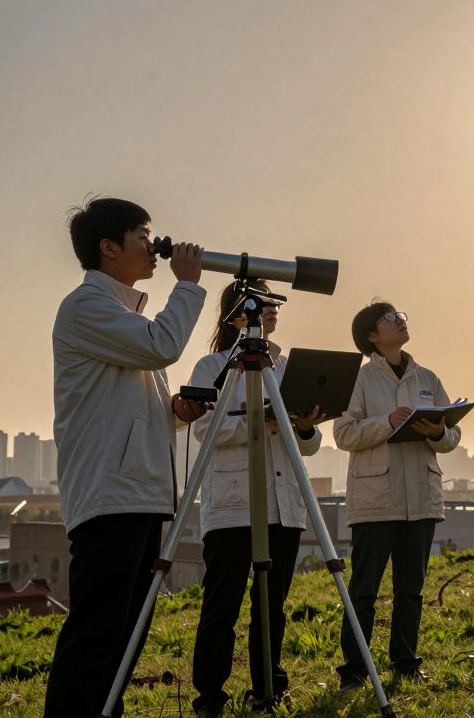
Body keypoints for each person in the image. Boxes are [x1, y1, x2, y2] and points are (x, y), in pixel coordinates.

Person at [46, 198, 207, 718]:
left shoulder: (123, 316)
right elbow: (163, 345)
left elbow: (134, 406)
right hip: (109, 495)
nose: (152, 245)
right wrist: (187, 284)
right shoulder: (86, 307)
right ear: (108, 247)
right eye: (141, 234)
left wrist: (177, 411)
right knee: (97, 636)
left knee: (123, 641)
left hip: (139, 493)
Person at [188, 281, 328, 717]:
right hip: (232, 505)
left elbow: (307, 444)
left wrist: (303, 425)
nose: (270, 311)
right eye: (261, 303)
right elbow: (203, 431)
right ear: (238, 311)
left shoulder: (286, 367)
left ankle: (269, 687)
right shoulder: (212, 366)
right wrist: (259, 415)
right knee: (222, 605)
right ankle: (210, 695)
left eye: (274, 305)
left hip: (283, 504)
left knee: (272, 607)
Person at [333, 302, 461, 687]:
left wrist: (438, 433)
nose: (400, 320)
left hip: (421, 498)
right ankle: (354, 670)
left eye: (400, 315)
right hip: (376, 500)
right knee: (364, 591)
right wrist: (386, 422)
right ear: (372, 336)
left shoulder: (428, 377)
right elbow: (343, 433)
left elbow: (452, 436)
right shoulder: (359, 380)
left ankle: (405, 662)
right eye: (390, 318)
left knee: (412, 590)